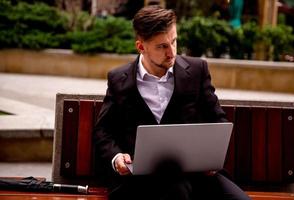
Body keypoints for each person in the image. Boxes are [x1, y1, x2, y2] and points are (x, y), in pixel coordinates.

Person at [93, 5, 250, 200]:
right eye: (162, 46)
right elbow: (103, 131)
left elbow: (218, 119)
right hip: (140, 181)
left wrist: (212, 159)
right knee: (176, 192)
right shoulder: (119, 79)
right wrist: (117, 158)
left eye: (174, 41)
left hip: (195, 176)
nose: (171, 52)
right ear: (141, 46)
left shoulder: (197, 70)